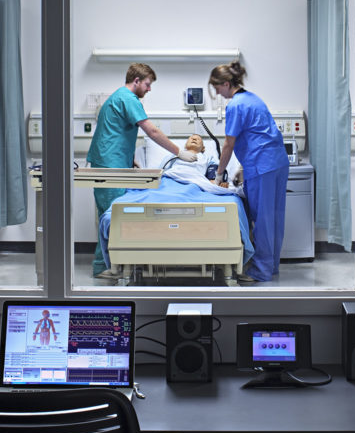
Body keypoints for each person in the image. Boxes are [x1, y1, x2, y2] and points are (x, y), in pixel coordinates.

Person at [87, 62, 197, 278]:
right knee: (112, 215)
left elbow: (114, 132)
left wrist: (129, 161)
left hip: (113, 161)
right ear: (136, 81)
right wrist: (178, 152)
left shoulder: (117, 97)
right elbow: (152, 131)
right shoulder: (128, 99)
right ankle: (104, 267)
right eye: (147, 84)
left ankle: (108, 264)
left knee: (108, 213)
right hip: (111, 165)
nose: (149, 89)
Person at [209, 61, 289, 282]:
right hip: (277, 163)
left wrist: (218, 175)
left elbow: (228, 144)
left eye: (217, 87)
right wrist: (243, 167)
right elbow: (258, 134)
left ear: (227, 83)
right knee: (274, 217)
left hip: (261, 165)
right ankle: (271, 266)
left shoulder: (235, 105)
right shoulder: (254, 99)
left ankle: (261, 271)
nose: (216, 92)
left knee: (262, 219)